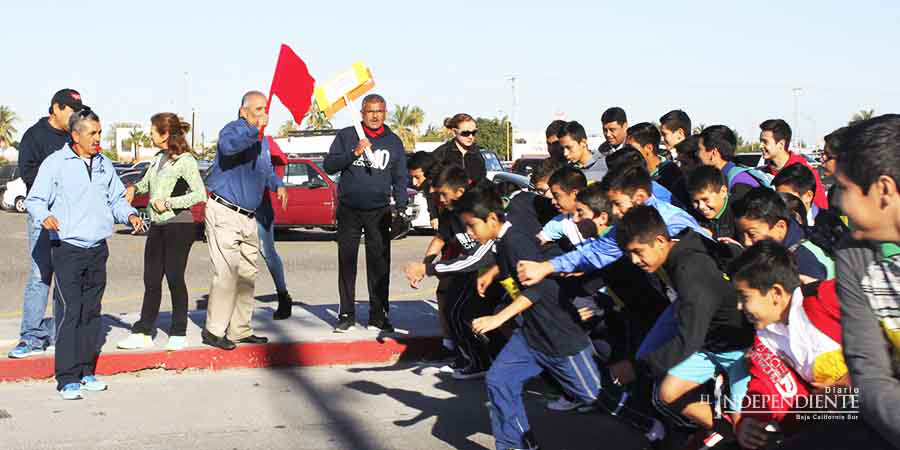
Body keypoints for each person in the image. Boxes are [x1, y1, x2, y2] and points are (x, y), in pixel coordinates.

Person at [464, 189, 663, 450]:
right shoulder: (505, 243)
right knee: (500, 380)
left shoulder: (516, 241)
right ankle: (516, 444)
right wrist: (493, 272)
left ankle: (649, 425)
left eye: (471, 226)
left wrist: (497, 319)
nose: (469, 232)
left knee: (595, 395)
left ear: (492, 219)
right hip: (531, 335)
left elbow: (538, 290)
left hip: (559, 337)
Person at [609, 205, 755, 446]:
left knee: (745, 423)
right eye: (629, 254)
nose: (634, 260)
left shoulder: (690, 271)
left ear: (659, 241)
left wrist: (638, 367)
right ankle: (727, 433)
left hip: (739, 348)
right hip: (710, 344)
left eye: (638, 251)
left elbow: (689, 339)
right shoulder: (676, 254)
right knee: (668, 393)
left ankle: (739, 433)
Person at [25, 108, 143, 399]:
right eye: (92, 133)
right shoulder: (55, 163)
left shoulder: (104, 164)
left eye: (99, 132)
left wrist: (129, 215)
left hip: (97, 249)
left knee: (91, 312)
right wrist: (44, 216)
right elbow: (35, 199)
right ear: (75, 135)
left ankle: (86, 370)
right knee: (70, 312)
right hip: (67, 249)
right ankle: (67, 377)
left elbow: (116, 199)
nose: (98, 138)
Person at [821, 114, 900, 450]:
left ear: (883, 189)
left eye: (844, 188)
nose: (837, 201)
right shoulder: (853, 255)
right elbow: (869, 374)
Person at [728, 241, 851, 450]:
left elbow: (881, 332)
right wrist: (750, 419)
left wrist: (851, 383)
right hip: (837, 421)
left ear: (776, 293)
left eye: (744, 297)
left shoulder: (824, 297)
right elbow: (765, 384)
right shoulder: (765, 338)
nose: (739, 306)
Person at [516, 166, 708, 287]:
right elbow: (596, 252)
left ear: (639, 198)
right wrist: (547, 267)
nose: (614, 212)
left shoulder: (673, 223)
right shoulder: (632, 224)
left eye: (617, 204)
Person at [202, 90, 287, 350]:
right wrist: (254, 130)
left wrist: (277, 184)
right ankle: (214, 330)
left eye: (265, 109)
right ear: (243, 111)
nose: (264, 114)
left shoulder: (262, 141)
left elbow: (265, 169)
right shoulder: (233, 130)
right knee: (227, 273)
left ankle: (240, 329)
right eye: (258, 109)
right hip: (225, 213)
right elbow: (229, 148)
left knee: (247, 274)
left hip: (249, 216)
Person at [117, 113, 207, 351]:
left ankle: (178, 332)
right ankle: (143, 331)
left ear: (165, 134)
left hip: (180, 225)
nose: (150, 135)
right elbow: (147, 184)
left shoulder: (186, 161)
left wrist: (168, 203)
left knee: (174, 277)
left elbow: (200, 194)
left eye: (153, 131)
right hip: (157, 226)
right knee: (151, 279)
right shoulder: (158, 158)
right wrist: (133, 188)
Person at [9, 88, 85, 359]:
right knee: (40, 276)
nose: (75, 116)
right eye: (72, 110)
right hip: (43, 217)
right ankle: (31, 337)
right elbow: (29, 174)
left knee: (66, 278)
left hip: (71, 219)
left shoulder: (75, 137)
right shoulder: (34, 136)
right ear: (56, 108)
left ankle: (58, 334)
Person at [324, 94, 408, 333]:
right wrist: (354, 152)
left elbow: (400, 177)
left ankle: (378, 316)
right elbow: (329, 166)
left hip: (379, 212)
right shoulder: (347, 135)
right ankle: (346, 315)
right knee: (347, 263)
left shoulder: (393, 141)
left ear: (385, 113)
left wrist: (401, 208)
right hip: (349, 209)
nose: (375, 115)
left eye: (379, 111)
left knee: (379, 265)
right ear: (362, 113)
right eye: (370, 111)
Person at [405, 167, 499, 379]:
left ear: (460, 191)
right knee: (455, 312)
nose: (440, 199)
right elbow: (440, 239)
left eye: (443, 194)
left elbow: (478, 257)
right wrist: (424, 265)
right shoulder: (450, 214)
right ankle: (471, 358)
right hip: (470, 270)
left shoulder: (480, 208)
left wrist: (427, 269)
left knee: (467, 314)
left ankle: (485, 359)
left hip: (489, 271)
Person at [732, 187, 833, 282]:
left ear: (780, 226)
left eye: (752, 234)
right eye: (740, 234)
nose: (746, 242)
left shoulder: (806, 262)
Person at [257, 145, 293, 320]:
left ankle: (283, 295)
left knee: (268, 252)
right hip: (237, 208)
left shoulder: (265, 142)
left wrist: (278, 184)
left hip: (260, 207)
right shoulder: (232, 138)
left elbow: (278, 165)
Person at [759, 119, 827, 210]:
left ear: (781, 144)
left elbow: (821, 208)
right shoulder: (762, 174)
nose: (760, 146)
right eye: (760, 141)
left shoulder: (805, 173)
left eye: (765, 142)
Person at [626, 121, 690, 208]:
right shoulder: (632, 173)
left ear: (649, 148)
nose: (627, 152)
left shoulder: (672, 175)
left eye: (631, 148)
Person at [698, 125, 769, 190]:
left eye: (699, 150)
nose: (697, 155)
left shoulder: (741, 182)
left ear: (714, 153)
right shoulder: (722, 178)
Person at [685, 165, 744, 243]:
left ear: (723, 192)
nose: (701, 206)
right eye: (695, 201)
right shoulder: (692, 216)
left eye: (705, 199)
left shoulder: (740, 213)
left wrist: (713, 237)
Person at [432, 113, 486, 186]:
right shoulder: (442, 153)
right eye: (465, 133)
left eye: (474, 132)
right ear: (454, 132)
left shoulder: (477, 154)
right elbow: (430, 179)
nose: (470, 137)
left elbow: (482, 179)